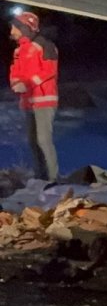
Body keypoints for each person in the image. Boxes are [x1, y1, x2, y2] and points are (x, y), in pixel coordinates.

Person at [9, 11, 59, 181]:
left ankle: (53, 178)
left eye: (15, 27)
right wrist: (16, 83)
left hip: (44, 100)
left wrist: (29, 83)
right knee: (33, 141)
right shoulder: (19, 50)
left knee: (43, 140)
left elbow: (49, 70)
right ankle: (40, 177)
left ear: (25, 28)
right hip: (28, 101)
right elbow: (15, 72)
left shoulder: (45, 45)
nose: (11, 31)